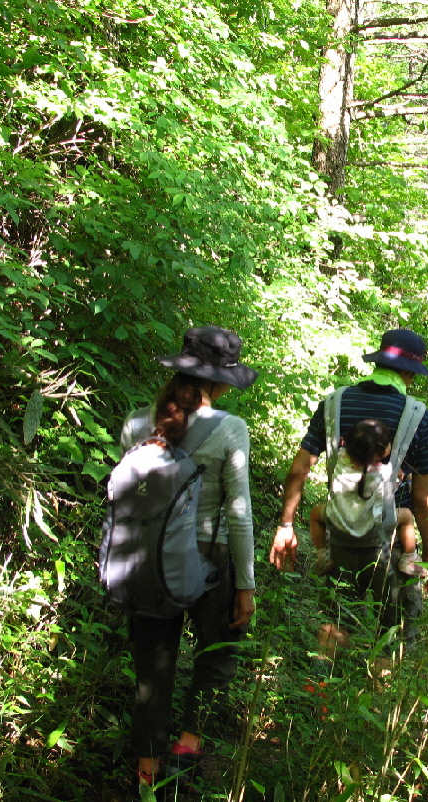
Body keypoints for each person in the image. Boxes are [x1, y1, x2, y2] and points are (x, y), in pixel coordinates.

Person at [119, 326, 258, 791]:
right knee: (218, 655)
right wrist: (246, 584)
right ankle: (186, 752)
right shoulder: (230, 429)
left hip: (149, 558)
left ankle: (147, 775)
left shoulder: (136, 424)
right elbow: (239, 513)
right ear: (219, 384)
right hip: (210, 559)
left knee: (151, 669)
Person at [269, 329, 428, 650]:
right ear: (409, 373)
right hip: (391, 546)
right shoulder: (421, 418)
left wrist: (286, 525)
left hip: (340, 538)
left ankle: (323, 678)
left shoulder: (333, 404)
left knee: (334, 624)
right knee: (391, 638)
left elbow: (298, 470)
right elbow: (421, 498)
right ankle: (380, 679)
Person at [309, 418, 422, 582]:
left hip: (338, 518)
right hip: (371, 524)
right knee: (406, 516)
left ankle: (323, 555)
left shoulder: (340, 460)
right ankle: (409, 557)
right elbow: (393, 487)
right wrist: (399, 476)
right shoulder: (384, 473)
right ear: (381, 453)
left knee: (314, 514)